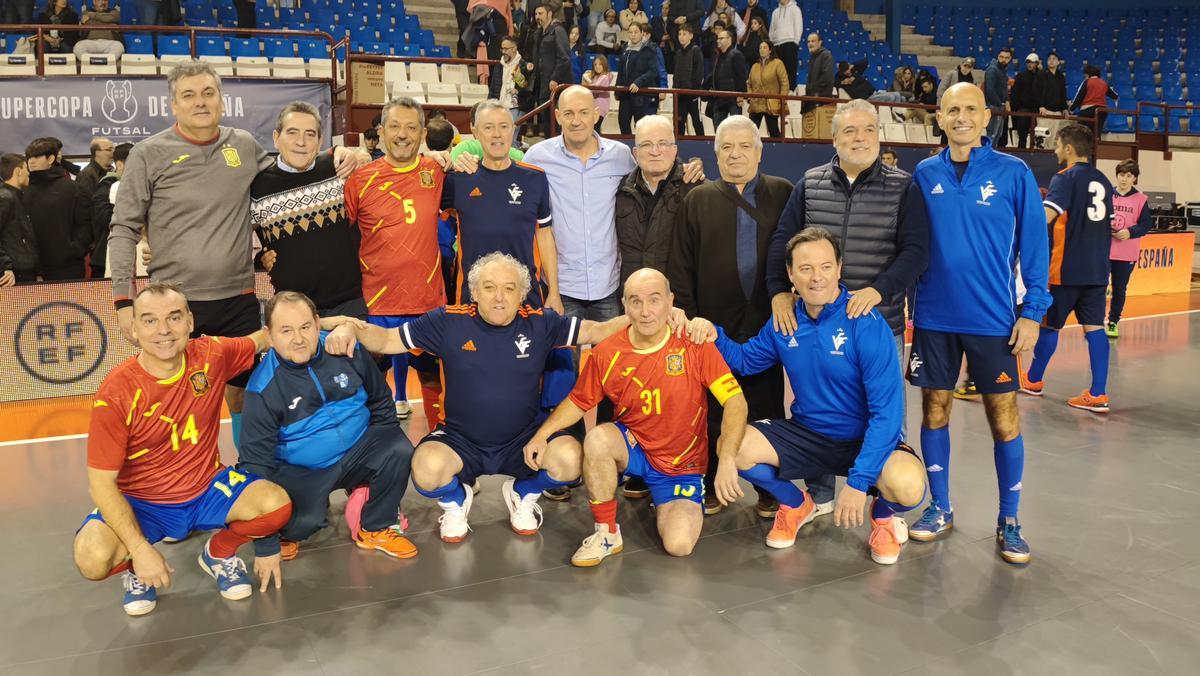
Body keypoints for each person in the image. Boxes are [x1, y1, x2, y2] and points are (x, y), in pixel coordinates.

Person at [109, 61, 363, 451]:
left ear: (221, 100)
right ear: (173, 105)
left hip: (239, 300)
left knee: (245, 392)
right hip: (178, 301)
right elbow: (124, 228)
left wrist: (339, 152)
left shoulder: (242, 145)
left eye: (208, 93)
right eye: (189, 95)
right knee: (179, 397)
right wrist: (124, 301)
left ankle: (251, 467)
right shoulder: (148, 154)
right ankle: (186, 475)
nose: (200, 102)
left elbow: (290, 170)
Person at [324, 253, 635, 542]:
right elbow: (389, 339)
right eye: (489, 287)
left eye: (509, 288)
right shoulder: (448, 321)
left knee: (569, 460)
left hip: (523, 440)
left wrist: (647, 315)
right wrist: (349, 328)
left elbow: (596, 330)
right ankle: (456, 500)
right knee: (425, 469)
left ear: (521, 294)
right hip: (461, 441)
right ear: (475, 292)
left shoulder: (540, 323)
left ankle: (523, 492)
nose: (499, 297)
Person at [71, 282, 293, 616]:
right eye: (149, 321)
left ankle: (218, 553)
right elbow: (100, 484)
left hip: (206, 488)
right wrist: (138, 548)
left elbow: (265, 337)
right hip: (143, 503)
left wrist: (332, 326)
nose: (163, 330)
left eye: (174, 318)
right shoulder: (116, 392)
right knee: (91, 558)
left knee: (276, 506)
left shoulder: (211, 354)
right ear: (133, 329)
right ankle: (135, 571)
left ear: (190, 321)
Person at [715, 227, 926, 563]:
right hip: (809, 434)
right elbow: (744, 361)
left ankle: (884, 517)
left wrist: (858, 484)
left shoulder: (865, 324)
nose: (817, 278)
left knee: (909, 485)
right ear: (790, 274)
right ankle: (797, 504)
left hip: (863, 439)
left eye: (826, 267)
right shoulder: (785, 321)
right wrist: (712, 334)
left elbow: (887, 414)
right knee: (734, 445)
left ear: (839, 269)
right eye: (806, 268)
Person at [906, 82, 1050, 565]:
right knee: (934, 412)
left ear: (987, 117)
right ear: (940, 118)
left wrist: (1033, 312)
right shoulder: (924, 173)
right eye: (952, 110)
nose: (961, 117)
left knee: (1003, 419)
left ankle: (1009, 519)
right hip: (933, 319)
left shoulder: (1013, 173)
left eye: (970, 109)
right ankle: (939, 507)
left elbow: (1035, 247)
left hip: (994, 321)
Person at [766, 99, 929, 512]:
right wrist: (778, 291)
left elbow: (916, 251)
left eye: (869, 130)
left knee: (888, 420)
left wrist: (880, 290)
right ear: (835, 138)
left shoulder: (903, 186)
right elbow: (782, 241)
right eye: (850, 131)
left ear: (878, 135)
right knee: (816, 413)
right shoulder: (810, 183)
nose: (860, 138)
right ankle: (818, 498)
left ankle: (883, 509)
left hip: (880, 324)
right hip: (817, 323)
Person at [527, 268, 747, 564]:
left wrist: (728, 458)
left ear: (671, 302)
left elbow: (735, 401)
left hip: (681, 466)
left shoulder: (693, 343)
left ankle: (667, 500)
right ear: (624, 305)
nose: (645, 312)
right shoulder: (608, 352)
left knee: (679, 545)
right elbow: (579, 401)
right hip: (635, 449)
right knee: (598, 439)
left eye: (654, 300)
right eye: (635, 302)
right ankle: (606, 532)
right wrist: (542, 434)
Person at [670, 115, 793, 517]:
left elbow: (799, 253)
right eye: (726, 147)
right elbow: (681, 267)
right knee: (709, 404)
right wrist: (689, 319)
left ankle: (768, 487)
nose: (735, 154)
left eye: (744, 146)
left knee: (768, 404)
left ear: (759, 152)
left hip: (767, 322)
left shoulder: (784, 193)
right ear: (715, 153)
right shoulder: (698, 200)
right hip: (711, 325)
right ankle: (707, 480)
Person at [238, 292, 416, 561]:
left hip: (358, 451)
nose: (298, 339)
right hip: (303, 471)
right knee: (300, 525)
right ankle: (293, 524)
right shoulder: (262, 387)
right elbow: (255, 463)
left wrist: (384, 448)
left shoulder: (346, 347)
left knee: (399, 449)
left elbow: (381, 402)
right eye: (286, 331)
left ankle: (375, 524)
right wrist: (266, 541)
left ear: (318, 323)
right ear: (270, 335)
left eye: (305, 327)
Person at [343, 97, 447, 426]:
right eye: (395, 126)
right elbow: (335, 238)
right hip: (376, 303)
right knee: (370, 386)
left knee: (434, 381)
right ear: (381, 130)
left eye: (411, 127)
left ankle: (437, 442)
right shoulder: (359, 179)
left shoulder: (436, 171)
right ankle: (375, 458)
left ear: (422, 134)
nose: (403, 134)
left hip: (427, 302)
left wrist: (457, 157)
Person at [1020, 123, 1115, 414]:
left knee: (1050, 325)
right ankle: (1098, 393)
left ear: (1069, 149)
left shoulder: (1065, 178)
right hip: (1098, 269)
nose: (1055, 151)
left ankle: (1034, 380)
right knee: (1095, 329)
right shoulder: (1103, 180)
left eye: (1058, 145)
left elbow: (1045, 217)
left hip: (1066, 269)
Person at [443, 100, 563, 312]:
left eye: (504, 126)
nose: (497, 134)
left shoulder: (535, 178)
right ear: (475, 131)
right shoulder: (458, 179)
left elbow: (544, 235)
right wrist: (437, 158)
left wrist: (553, 291)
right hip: (473, 299)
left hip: (525, 297)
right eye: (488, 127)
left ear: (513, 130)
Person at [251, 102, 366, 323]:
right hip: (292, 310)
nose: (301, 142)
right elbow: (235, 238)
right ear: (276, 137)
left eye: (310, 134)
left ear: (321, 141)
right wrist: (260, 258)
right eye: (292, 133)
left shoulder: (337, 169)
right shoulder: (258, 186)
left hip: (349, 303)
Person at [616, 115, 696, 285]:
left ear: (674, 150)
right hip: (630, 301)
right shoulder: (619, 191)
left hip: (678, 300)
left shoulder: (696, 190)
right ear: (635, 153)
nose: (655, 151)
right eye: (646, 144)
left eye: (663, 143)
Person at [23, 137, 91, 280]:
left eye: (36, 156)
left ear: (51, 158)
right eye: (29, 157)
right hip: (30, 269)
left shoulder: (73, 188)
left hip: (67, 266)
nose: (31, 161)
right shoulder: (24, 190)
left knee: (69, 303)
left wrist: (74, 250)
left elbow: (85, 225)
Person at [1105, 159, 1152, 339]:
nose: (1124, 179)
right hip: (1105, 250)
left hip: (1126, 253)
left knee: (1119, 289)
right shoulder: (1108, 195)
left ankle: (1113, 321)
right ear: (1117, 176)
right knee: (1098, 286)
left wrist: (1130, 232)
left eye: (1129, 175)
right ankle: (1094, 322)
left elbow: (1146, 224)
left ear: (1135, 178)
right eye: (1121, 175)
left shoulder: (1141, 199)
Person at [90, 142, 131, 279]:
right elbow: (104, 217)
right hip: (106, 257)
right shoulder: (106, 186)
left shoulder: (143, 185)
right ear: (120, 165)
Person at [532, 3, 572, 135]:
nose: (537, 17)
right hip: (543, 85)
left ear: (549, 14)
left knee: (556, 124)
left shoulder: (557, 30)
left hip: (556, 85)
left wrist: (555, 77)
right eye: (536, 14)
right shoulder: (539, 33)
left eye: (541, 13)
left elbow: (564, 57)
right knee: (547, 124)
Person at [616, 22, 662, 134]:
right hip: (625, 94)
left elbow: (654, 71)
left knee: (642, 127)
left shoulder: (649, 49)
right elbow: (621, 70)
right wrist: (617, 90)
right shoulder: (625, 48)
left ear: (642, 33)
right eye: (630, 32)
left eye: (636, 32)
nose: (633, 35)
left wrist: (639, 82)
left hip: (642, 95)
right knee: (623, 122)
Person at [0, 153, 38, 286]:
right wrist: (6, 267)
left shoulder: (16, 197)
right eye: (26, 168)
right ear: (18, 171)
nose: (29, 173)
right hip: (13, 275)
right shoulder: (5, 198)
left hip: (23, 271)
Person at [492, 36, 534, 142]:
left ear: (514, 48)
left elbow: (529, 88)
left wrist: (518, 91)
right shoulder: (499, 66)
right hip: (500, 105)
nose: (503, 52)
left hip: (516, 106)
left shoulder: (524, 66)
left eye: (506, 49)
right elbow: (493, 88)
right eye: (502, 49)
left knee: (509, 137)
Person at [747, 41, 789, 138]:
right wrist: (750, 97)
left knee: (773, 130)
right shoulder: (754, 66)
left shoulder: (777, 63)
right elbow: (749, 83)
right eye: (760, 47)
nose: (762, 50)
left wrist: (782, 99)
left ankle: (779, 151)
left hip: (771, 103)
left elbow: (784, 82)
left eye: (764, 47)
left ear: (770, 50)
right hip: (756, 103)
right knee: (751, 132)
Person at [708, 29, 747, 128]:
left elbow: (741, 76)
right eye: (717, 38)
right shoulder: (717, 56)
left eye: (721, 38)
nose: (718, 41)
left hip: (733, 98)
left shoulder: (736, 55)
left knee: (736, 127)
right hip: (719, 97)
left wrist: (740, 94)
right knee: (719, 129)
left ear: (729, 39)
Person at [673, 23, 705, 136]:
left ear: (691, 36)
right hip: (680, 96)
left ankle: (703, 146)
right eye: (679, 34)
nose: (681, 36)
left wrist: (693, 91)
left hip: (693, 96)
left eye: (684, 34)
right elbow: (676, 74)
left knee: (697, 123)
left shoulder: (696, 51)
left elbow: (699, 73)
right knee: (679, 124)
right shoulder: (678, 53)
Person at [1070, 64, 1119, 135]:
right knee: (1096, 135)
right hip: (1101, 111)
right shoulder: (1104, 83)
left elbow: (1079, 97)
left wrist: (1071, 109)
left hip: (1087, 111)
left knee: (1083, 135)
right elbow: (1114, 95)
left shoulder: (1087, 82)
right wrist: (1116, 98)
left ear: (1088, 74)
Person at [1009, 53, 1043, 149]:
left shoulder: (1040, 76)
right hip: (1023, 109)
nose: (1029, 64)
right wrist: (1015, 110)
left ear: (1036, 63)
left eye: (1032, 62)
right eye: (1028, 62)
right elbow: (1015, 93)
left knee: (1036, 136)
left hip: (1035, 110)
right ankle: (1021, 154)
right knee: (1022, 136)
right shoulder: (1021, 75)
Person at [769, 0, 803, 90]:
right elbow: (772, 29)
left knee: (790, 71)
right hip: (776, 45)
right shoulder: (775, 12)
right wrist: (772, 43)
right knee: (776, 72)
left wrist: (795, 41)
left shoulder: (795, 9)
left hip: (790, 43)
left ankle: (791, 93)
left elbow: (798, 26)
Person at [983, 47, 1013, 147]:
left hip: (999, 107)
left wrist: (1006, 101)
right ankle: (987, 160)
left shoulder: (1003, 70)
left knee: (996, 136)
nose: (1003, 60)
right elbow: (990, 90)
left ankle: (990, 158)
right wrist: (1001, 104)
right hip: (993, 107)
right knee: (992, 136)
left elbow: (1003, 89)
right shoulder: (992, 70)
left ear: (1010, 59)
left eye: (1006, 58)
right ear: (998, 57)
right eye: (1001, 57)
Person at [802, 32, 834, 114]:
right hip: (813, 98)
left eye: (813, 41)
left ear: (820, 42)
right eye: (808, 42)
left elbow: (827, 77)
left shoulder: (826, 56)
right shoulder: (813, 58)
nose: (810, 44)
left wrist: (813, 90)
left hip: (821, 99)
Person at [582, 55, 616, 132]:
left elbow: (596, 88)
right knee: (593, 129)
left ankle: (597, 143)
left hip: (601, 108)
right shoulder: (595, 77)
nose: (597, 66)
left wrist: (587, 79)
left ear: (604, 65)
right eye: (595, 64)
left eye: (600, 64)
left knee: (595, 129)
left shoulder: (605, 77)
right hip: (594, 107)